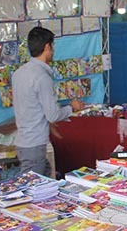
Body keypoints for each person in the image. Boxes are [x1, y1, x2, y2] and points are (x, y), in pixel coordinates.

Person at [12, 27, 84, 177]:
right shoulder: (41, 77)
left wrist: (48, 124)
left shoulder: (19, 73)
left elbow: (31, 106)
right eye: (53, 45)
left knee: (44, 176)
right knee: (33, 186)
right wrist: (72, 107)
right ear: (47, 47)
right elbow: (53, 115)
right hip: (34, 142)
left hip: (23, 140)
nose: (53, 50)